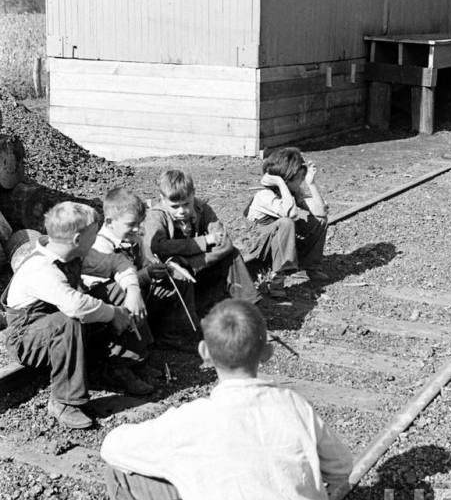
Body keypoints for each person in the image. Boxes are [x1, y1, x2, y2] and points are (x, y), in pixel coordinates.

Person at [102, 299, 352, 500]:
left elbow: (111, 447)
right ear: (267, 353)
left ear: (204, 353)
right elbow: (341, 468)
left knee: (120, 474)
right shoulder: (294, 405)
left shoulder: (193, 419)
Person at [1, 201, 131, 430]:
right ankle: (63, 401)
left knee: (112, 292)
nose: (97, 239)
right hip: (26, 338)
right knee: (70, 320)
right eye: (94, 235)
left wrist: (131, 287)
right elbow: (75, 306)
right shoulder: (41, 268)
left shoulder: (71, 254)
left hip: (53, 326)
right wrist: (114, 313)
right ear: (78, 240)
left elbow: (110, 264)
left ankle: (110, 366)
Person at [82, 186, 198, 364]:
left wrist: (154, 269)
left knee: (179, 280)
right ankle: (127, 360)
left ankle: (173, 335)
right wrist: (145, 275)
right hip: (116, 305)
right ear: (109, 222)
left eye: (139, 223)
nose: (136, 230)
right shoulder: (100, 247)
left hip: (139, 293)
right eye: (131, 225)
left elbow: (142, 266)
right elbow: (110, 289)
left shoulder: (133, 239)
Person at [141, 170, 260, 321]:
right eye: (175, 206)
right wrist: (204, 241)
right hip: (171, 280)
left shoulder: (202, 209)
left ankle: (250, 311)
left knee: (232, 254)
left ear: (193, 195)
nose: (182, 211)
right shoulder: (156, 216)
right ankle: (187, 328)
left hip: (197, 270)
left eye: (186, 204)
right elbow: (158, 247)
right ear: (162, 200)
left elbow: (224, 242)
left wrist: (190, 262)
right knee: (177, 268)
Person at [245, 147, 329, 297]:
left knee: (319, 221)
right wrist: (279, 182)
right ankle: (276, 281)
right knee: (286, 222)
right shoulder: (264, 195)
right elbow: (291, 213)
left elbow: (321, 212)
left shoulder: (291, 192)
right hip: (259, 246)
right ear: (286, 179)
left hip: (280, 242)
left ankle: (307, 267)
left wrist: (312, 183)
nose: (302, 182)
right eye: (300, 179)